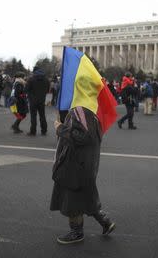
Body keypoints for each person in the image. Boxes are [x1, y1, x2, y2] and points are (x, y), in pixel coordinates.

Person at [50, 81, 115, 245]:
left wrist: (60, 128)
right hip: (86, 162)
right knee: (85, 194)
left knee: (72, 198)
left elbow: (83, 137)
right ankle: (105, 221)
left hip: (76, 161)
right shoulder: (91, 107)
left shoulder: (80, 109)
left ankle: (76, 232)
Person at [26, 66, 50, 136]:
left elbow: (26, 89)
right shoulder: (46, 79)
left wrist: (30, 95)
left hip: (33, 100)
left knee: (33, 116)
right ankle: (44, 130)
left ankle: (33, 131)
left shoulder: (31, 79)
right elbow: (48, 90)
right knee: (42, 115)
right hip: (42, 100)